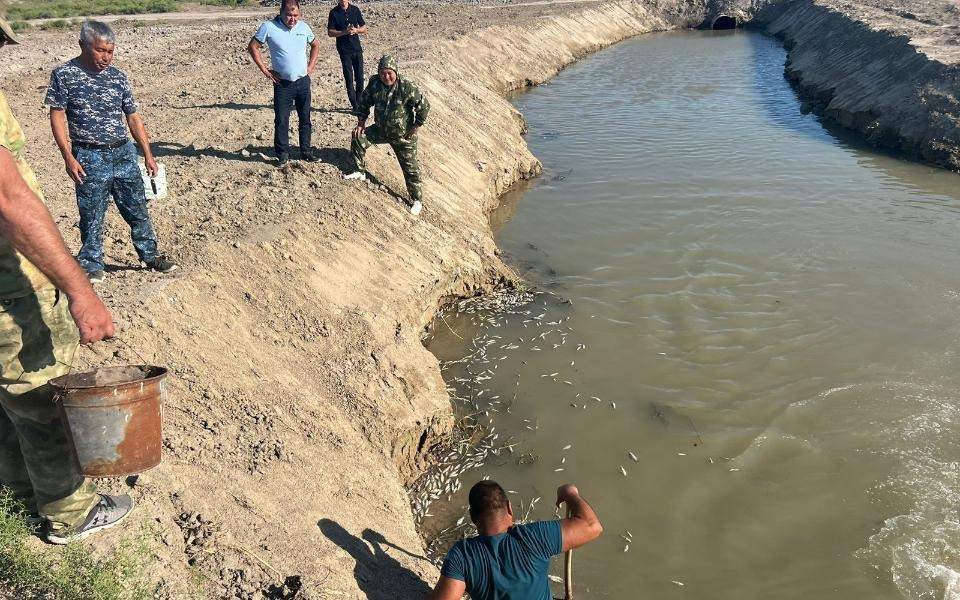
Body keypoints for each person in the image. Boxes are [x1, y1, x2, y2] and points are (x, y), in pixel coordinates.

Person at [0, 17, 134, 545]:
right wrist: (81, 291)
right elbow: (10, 201)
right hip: (10, 290)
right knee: (39, 396)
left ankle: (15, 491)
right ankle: (69, 513)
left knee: (8, 400)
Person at [45, 20, 178, 285]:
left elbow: (133, 117)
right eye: (100, 50)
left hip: (123, 153)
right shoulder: (64, 75)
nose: (106, 57)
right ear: (83, 45)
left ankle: (150, 256)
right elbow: (57, 115)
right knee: (92, 213)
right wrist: (68, 156)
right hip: (88, 156)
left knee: (137, 208)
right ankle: (92, 264)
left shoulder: (118, 77)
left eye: (110, 51)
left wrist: (148, 154)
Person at [431, 481, 603, 600]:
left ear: (473, 518)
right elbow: (592, 527)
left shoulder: (462, 555)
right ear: (509, 508)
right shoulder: (534, 537)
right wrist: (570, 493)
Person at [345, 55, 430, 216]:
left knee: (410, 168)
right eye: (383, 73)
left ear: (396, 72)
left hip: (402, 136)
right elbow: (364, 102)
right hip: (381, 130)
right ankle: (359, 171)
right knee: (358, 138)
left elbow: (424, 107)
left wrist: (415, 127)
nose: (386, 76)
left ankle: (417, 200)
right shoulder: (375, 83)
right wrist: (361, 123)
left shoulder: (406, 86)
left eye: (390, 73)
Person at [249, 0, 321, 166]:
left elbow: (316, 44)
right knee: (282, 119)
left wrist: (311, 66)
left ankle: (306, 152)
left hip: (303, 81)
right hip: (283, 84)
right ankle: (282, 154)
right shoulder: (268, 27)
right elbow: (253, 46)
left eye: (295, 15)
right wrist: (265, 70)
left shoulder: (304, 27)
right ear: (281, 12)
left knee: (305, 118)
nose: (292, 19)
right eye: (289, 15)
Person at [327, 0, 368, 112]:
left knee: (360, 77)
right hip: (344, 50)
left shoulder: (355, 10)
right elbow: (330, 32)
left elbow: (364, 28)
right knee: (349, 78)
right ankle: (354, 105)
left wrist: (356, 30)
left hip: (357, 48)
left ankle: (359, 102)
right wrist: (344, 32)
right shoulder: (334, 13)